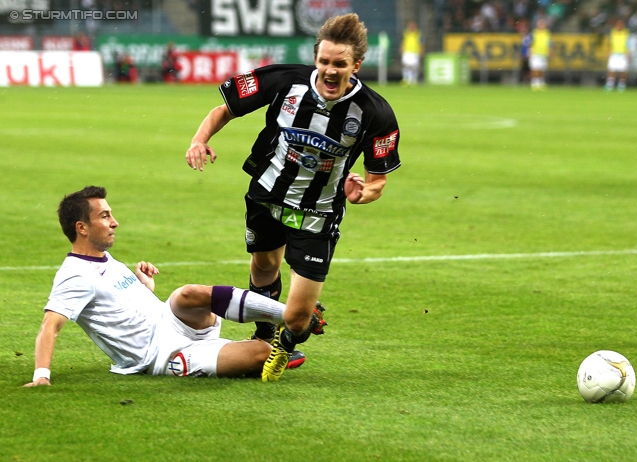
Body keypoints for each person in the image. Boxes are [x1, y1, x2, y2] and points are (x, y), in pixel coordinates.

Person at [185, 13, 401, 382]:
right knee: (262, 268)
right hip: (267, 195)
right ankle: (263, 338)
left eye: (340, 64)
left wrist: (362, 193)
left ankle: (287, 342)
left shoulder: (375, 113)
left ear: (357, 65)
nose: (330, 71)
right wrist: (199, 139)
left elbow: (377, 181)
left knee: (298, 317)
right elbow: (225, 108)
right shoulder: (285, 79)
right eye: (324, 62)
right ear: (315, 58)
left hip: (318, 213)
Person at [23, 186, 324, 387]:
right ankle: (281, 339)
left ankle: (293, 315)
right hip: (161, 353)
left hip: (171, 321)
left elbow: (117, 309)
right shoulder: (74, 274)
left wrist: (144, 287)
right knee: (261, 354)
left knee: (186, 294)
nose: (114, 222)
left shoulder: (104, 259)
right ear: (82, 228)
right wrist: (41, 375)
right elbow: (50, 325)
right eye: (105, 216)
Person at [605, 18, 631, 92]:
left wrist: (628, 53)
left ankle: (621, 85)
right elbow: (610, 43)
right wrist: (608, 52)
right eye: (618, 24)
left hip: (623, 54)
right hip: (614, 53)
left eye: (621, 24)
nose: (619, 25)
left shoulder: (626, 32)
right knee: (611, 69)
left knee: (623, 70)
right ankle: (610, 85)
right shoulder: (613, 32)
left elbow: (628, 43)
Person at [528, 17, 552, 90]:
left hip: (543, 53)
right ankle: (534, 82)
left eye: (543, 24)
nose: (542, 26)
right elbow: (530, 43)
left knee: (542, 69)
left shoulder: (547, 33)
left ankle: (540, 82)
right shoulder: (534, 33)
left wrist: (550, 52)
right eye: (540, 24)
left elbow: (549, 44)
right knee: (534, 68)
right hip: (535, 53)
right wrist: (530, 51)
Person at [400, 20, 424, 85]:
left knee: (414, 67)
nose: (411, 27)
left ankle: (414, 80)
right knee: (405, 66)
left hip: (415, 52)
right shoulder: (405, 33)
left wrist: (421, 50)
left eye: (413, 26)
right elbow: (402, 42)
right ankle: (406, 79)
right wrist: (402, 49)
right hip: (407, 52)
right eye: (410, 26)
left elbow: (421, 43)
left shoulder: (418, 33)